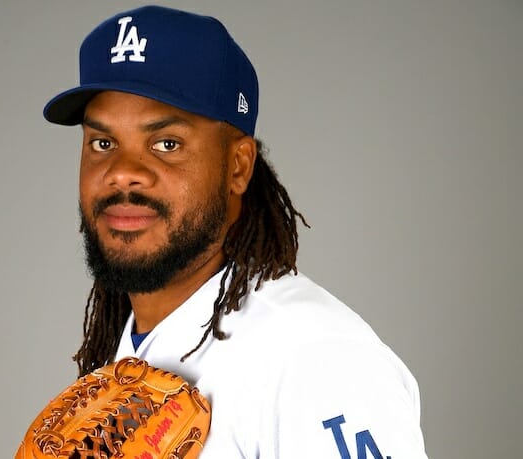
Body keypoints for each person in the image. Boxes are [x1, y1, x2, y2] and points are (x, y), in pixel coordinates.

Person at [43, 5, 428, 458]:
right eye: (103, 143)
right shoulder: (125, 356)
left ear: (238, 166)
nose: (122, 172)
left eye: (166, 143)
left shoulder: (315, 358)